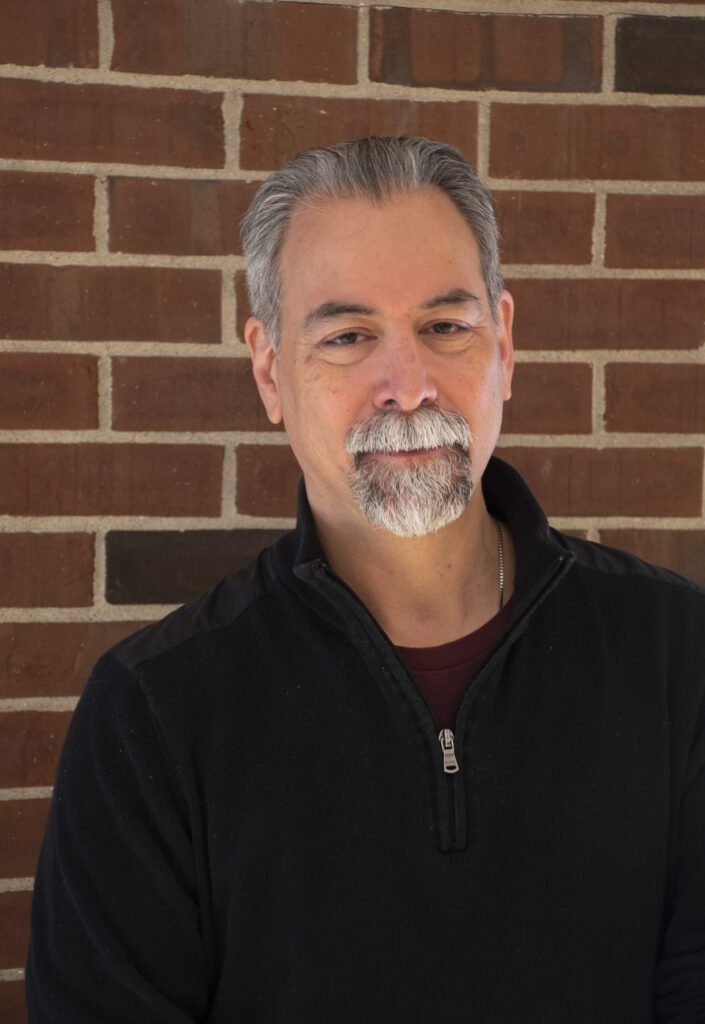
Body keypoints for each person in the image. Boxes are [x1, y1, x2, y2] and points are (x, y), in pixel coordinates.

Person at [27, 137, 705, 1022]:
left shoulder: (675, 657)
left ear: (502, 342)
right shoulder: (154, 715)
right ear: (270, 369)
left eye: (443, 326)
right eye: (348, 336)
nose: (408, 385)